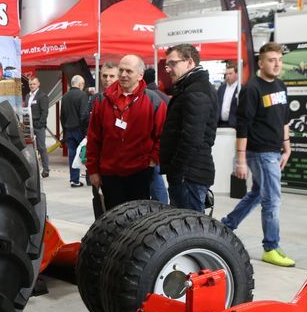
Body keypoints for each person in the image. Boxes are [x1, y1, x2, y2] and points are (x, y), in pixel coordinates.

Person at [221, 42, 295, 267]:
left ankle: (227, 225)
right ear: (261, 63)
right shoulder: (252, 88)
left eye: (279, 60)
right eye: (272, 60)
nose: (277, 64)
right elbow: (242, 125)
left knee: (256, 194)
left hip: (274, 149)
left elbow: (283, 118)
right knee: (272, 199)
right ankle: (271, 247)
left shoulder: (280, 86)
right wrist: (240, 160)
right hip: (259, 152)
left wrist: (287, 145)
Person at [86, 55, 166, 209]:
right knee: (111, 218)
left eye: (128, 71)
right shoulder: (102, 101)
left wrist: (152, 160)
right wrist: (93, 170)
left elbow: (163, 136)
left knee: (137, 220)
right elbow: (94, 137)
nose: (123, 75)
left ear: (140, 75)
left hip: (140, 173)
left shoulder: (153, 101)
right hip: (109, 173)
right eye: (121, 70)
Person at [159, 44, 218, 212]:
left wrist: (177, 170)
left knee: (189, 231)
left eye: (173, 64)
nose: (168, 69)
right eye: (167, 65)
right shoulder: (192, 88)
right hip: (189, 173)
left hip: (189, 174)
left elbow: (192, 138)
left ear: (190, 62)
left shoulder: (196, 91)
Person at [143, 68, 170, 204]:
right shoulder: (163, 96)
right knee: (156, 178)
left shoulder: (147, 97)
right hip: (160, 147)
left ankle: (161, 206)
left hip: (150, 149)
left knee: (155, 179)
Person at [60, 75, 89, 187]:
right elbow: (84, 115)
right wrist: (86, 131)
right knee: (85, 153)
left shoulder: (65, 96)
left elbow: (62, 115)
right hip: (80, 129)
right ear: (80, 84)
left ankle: (74, 180)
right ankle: (89, 178)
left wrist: (65, 129)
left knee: (72, 154)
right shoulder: (83, 95)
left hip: (68, 130)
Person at [28, 76, 50, 177]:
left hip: (38, 126)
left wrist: (40, 124)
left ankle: (46, 169)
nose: (32, 86)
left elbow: (44, 112)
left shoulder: (42, 96)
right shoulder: (28, 96)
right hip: (29, 125)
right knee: (30, 148)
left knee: (41, 147)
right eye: (30, 84)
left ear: (38, 84)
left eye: (34, 84)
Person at [217, 62, 240, 128]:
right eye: (226, 74)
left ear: (236, 74)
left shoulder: (240, 88)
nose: (228, 76)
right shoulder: (221, 88)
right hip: (220, 124)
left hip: (234, 124)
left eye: (230, 73)